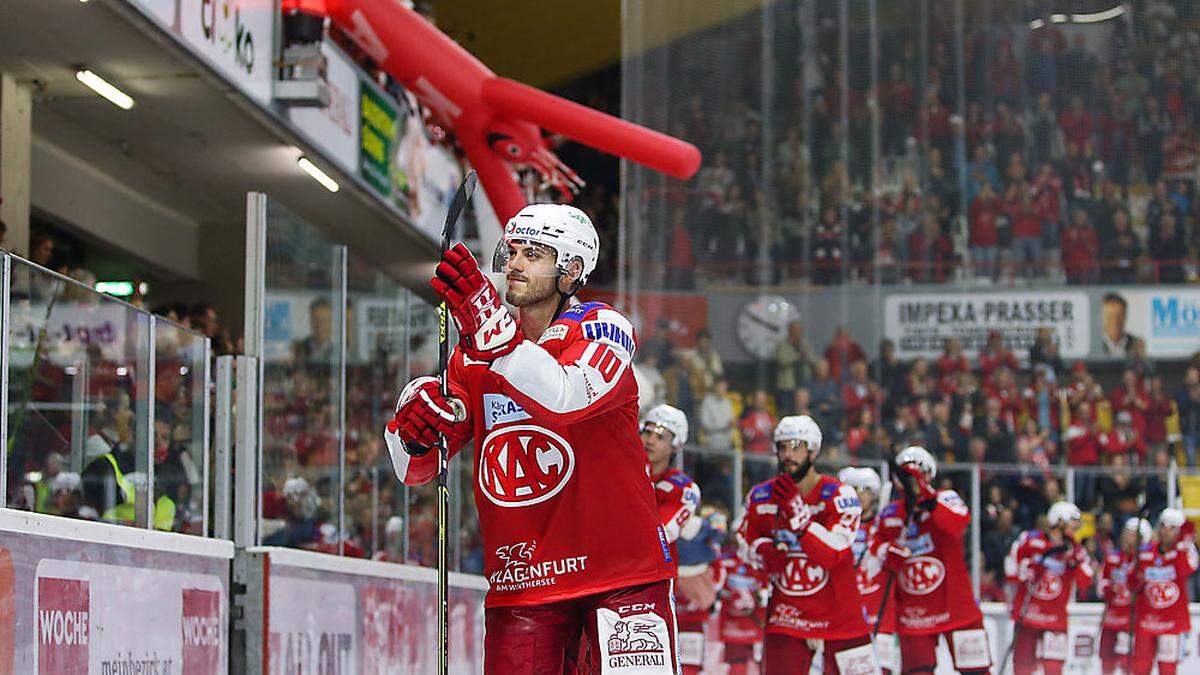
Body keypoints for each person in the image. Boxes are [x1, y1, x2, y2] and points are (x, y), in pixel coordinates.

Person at [384, 204, 679, 673]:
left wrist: (487, 325)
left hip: (620, 578)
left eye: (535, 254)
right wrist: (413, 429)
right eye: (512, 251)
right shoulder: (474, 354)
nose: (515, 264)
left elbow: (563, 398)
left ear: (572, 270)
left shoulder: (603, 328)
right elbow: (415, 469)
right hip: (522, 585)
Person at [735, 415, 878, 673]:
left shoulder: (840, 494)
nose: (788, 454)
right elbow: (744, 541)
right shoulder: (761, 495)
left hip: (840, 614)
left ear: (813, 453)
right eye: (782, 447)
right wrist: (762, 552)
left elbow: (835, 552)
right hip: (788, 615)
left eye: (796, 446)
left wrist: (799, 518)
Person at [878, 446, 991, 675]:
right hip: (914, 613)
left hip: (957, 607)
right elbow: (879, 554)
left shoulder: (946, 498)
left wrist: (928, 500)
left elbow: (958, 523)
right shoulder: (890, 513)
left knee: (977, 671)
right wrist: (887, 551)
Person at [640, 404, 706, 675]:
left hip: (652, 584)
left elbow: (661, 532)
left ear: (676, 445)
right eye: (648, 431)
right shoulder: (618, 473)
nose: (651, 439)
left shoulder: (685, 487)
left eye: (662, 435)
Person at [1004, 501, 1094, 675]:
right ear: (1059, 520)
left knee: (1054, 668)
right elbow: (1010, 569)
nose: (1076, 527)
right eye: (1072, 521)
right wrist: (1026, 568)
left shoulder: (1076, 550)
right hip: (1028, 614)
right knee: (1022, 666)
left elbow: (1086, 581)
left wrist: (1074, 562)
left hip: (1055, 619)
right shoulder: (1030, 540)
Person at [840, 467, 900, 675]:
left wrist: (885, 549)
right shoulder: (840, 528)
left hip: (881, 613)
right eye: (853, 489)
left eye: (864, 489)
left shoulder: (883, 527)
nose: (859, 494)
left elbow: (898, 560)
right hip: (848, 613)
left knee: (882, 669)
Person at [1129, 508, 1199, 675]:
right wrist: (1136, 575)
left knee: (1168, 668)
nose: (1166, 531)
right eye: (1163, 526)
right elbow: (1133, 583)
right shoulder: (1145, 551)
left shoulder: (1185, 551)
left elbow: (1185, 569)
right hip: (1146, 621)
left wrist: (1183, 543)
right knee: (1140, 667)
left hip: (1171, 623)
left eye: (1172, 527)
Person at [1097, 517, 1151, 674]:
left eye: (1132, 533)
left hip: (1132, 620)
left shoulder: (1146, 559)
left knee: (1128, 661)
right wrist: (1110, 587)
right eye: (1125, 532)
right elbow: (1101, 586)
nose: (1126, 536)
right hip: (1111, 618)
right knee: (1106, 659)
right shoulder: (1112, 557)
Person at [715, 551, 766, 675]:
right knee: (738, 664)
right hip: (735, 628)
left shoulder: (760, 561)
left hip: (753, 626)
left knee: (755, 664)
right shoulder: (725, 562)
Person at [1100, 293, 1143, 358]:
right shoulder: (1095, 344)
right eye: (1110, 316)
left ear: (1125, 316)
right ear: (1102, 317)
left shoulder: (1137, 344)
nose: (1115, 321)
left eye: (1119, 316)